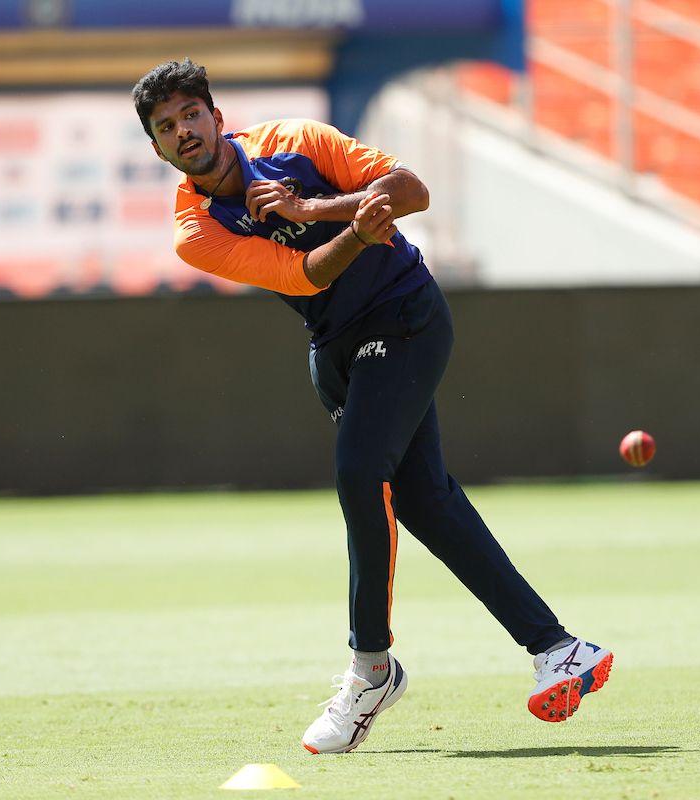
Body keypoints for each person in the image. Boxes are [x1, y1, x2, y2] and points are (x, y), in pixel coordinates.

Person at [132, 59, 613, 754]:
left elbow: (410, 191)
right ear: (157, 150)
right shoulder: (194, 230)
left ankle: (371, 668)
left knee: (361, 474)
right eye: (166, 128)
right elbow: (305, 272)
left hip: (407, 317)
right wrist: (358, 224)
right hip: (334, 349)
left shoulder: (297, 139)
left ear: (216, 115)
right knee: (426, 502)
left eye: (190, 115)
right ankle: (559, 650)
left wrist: (316, 208)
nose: (183, 132)